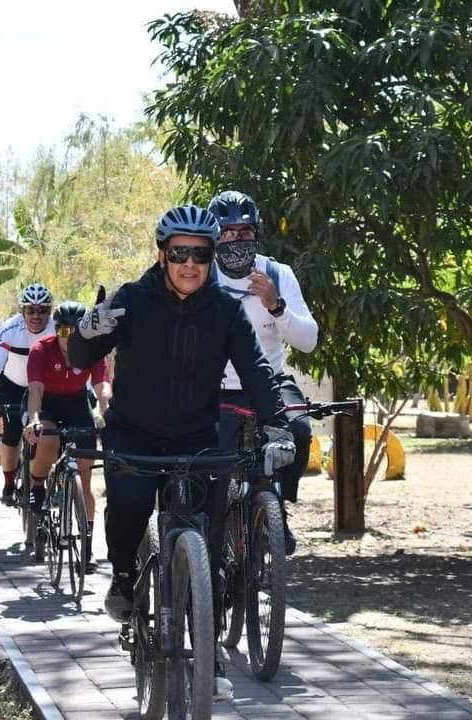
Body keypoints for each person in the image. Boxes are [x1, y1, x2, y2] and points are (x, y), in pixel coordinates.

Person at [68, 204, 295, 698]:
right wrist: (88, 329)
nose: (190, 264)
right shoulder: (132, 299)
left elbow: (256, 371)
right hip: (133, 434)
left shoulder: (226, 309)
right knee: (128, 507)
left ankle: (208, 658)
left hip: (196, 439)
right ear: (162, 255)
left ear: (211, 257)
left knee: (207, 547)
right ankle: (124, 576)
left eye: (200, 254)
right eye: (179, 254)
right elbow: (80, 358)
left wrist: (278, 426)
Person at [208, 190, 319, 555]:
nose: (236, 239)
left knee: (299, 431)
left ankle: (276, 508)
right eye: (227, 232)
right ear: (214, 236)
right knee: (210, 463)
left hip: (269, 380)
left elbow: (309, 340)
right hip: (215, 386)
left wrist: (275, 305)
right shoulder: (201, 274)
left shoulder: (276, 274)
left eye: (244, 232)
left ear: (256, 233)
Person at [24, 301, 110, 572]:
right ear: (56, 330)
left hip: (77, 405)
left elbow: (102, 386)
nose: (68, 338)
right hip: (47, 404)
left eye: (75, 332)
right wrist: (34, 420)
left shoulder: (93, 350)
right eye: (63, 331)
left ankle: (87, 546)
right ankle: (38, 485)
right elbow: (35, 390)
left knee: (85, 476)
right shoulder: (41, 349)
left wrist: (105, 411)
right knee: (48, 440)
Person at [0, 284, 55, 506]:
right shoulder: (9, 329)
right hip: (13, 384)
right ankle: (9, 483)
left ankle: (44, 481)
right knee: (11, 435)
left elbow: (74, 359)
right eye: (31, 310)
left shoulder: (57, 328)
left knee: (48, 432)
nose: (36, 316)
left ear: (50, 311)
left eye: (42, 310)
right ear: (22, 311)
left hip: (44, 386)